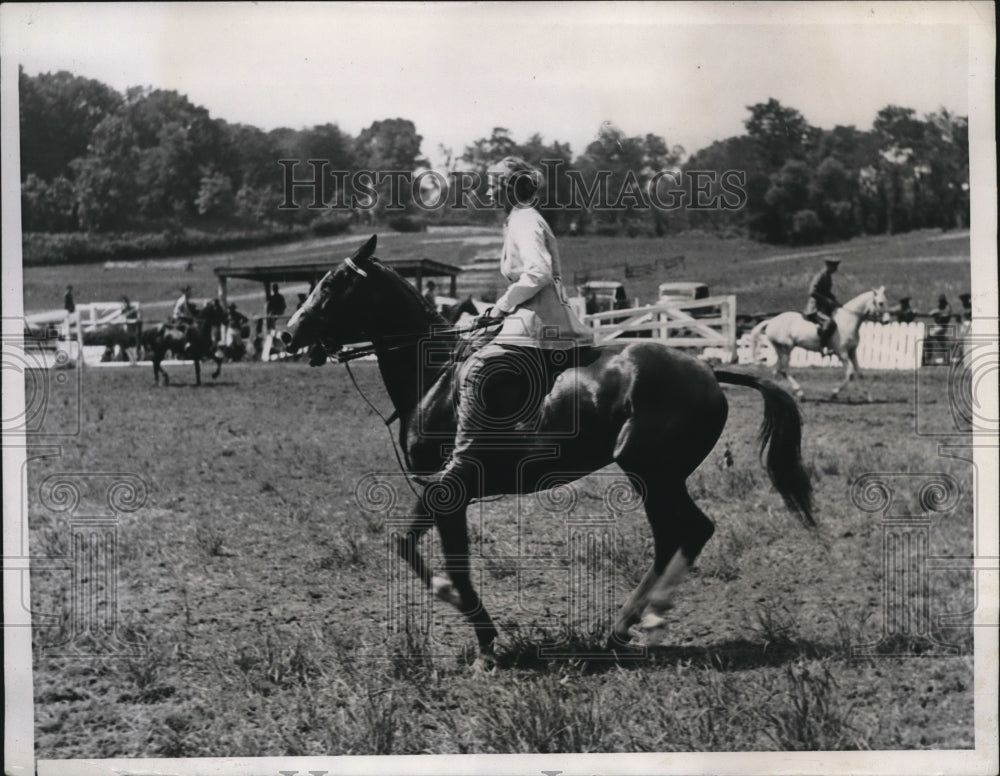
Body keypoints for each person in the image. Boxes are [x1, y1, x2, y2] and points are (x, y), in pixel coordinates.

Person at [417, 156, 594, 490]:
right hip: (529, 318)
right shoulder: (518, 219)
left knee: (477, 367)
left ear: (511, 187)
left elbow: (538, 272)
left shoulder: (524, 221)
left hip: (539, 322)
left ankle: (461, 466)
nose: (487, 189)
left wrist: (500, 307)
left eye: (493, 183)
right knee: (466, 348)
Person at [803, 258, 841, 355]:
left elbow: (826, 292)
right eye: (835, 267)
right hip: (815, 308)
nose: (836, 270)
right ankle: (823, 347)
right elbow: (812, 292)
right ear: (829, 266)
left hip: (824, 307)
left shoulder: (828, 276)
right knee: (829, 322)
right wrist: (826, 300)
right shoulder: (820, 276)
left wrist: (834, 301)